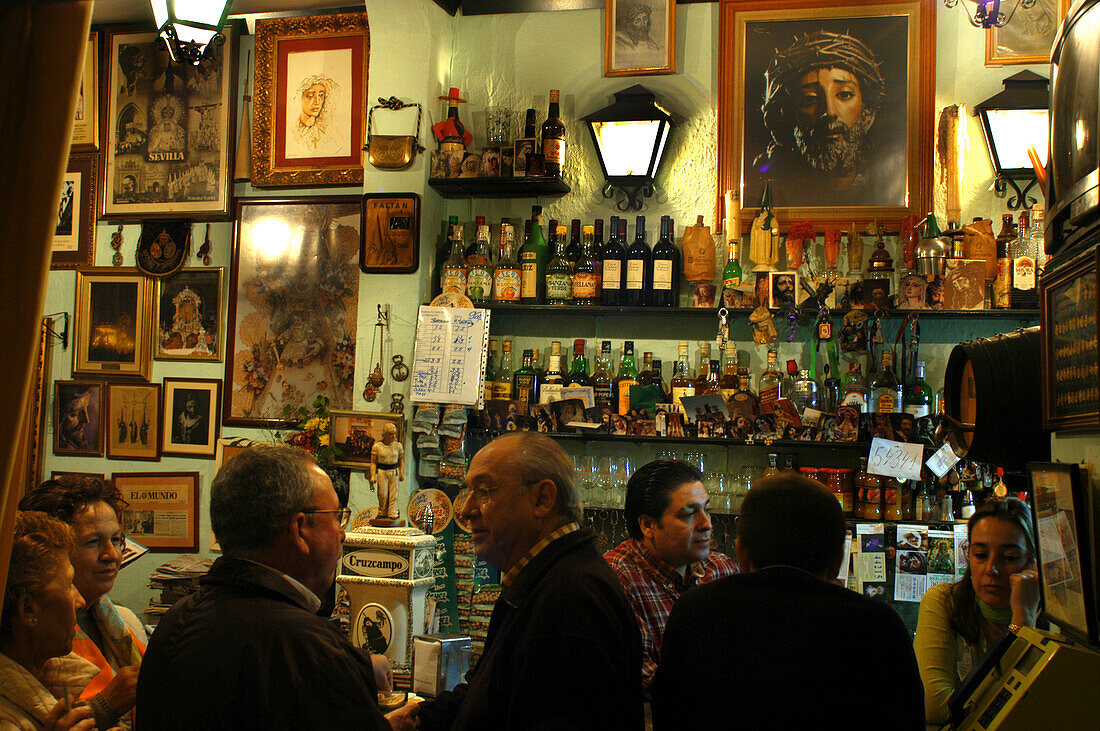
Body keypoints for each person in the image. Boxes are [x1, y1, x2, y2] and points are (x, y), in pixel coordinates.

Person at [135, 444, 414, 730]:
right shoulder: (309, 648)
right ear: (300, 530)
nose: (342, 533)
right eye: (336, 517)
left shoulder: (175, 620)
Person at [653, 474, 924, 729]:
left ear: (741, 555)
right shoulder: (877, 625)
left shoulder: (695, 612)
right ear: (838, 561)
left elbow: (669, 715)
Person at [417, 432, 644, 729]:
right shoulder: (543, 579)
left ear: (542, 499)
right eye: (467, 491)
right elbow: (490, 692)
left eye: (484, 491)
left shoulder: (571, 599)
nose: (466, 510)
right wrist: (416, 719)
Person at [20, 476, 146, 731]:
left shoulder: (125, 621)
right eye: (93, 542)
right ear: (51, 549)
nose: (111, 555)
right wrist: (105, 705)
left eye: (116, 539)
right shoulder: (34, 635)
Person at [604, 460, 739, 697]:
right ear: (647, 525)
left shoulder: (721, 568)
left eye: (706, 509)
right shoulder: (616, 578)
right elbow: (645, 683)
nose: (707, 524)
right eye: (689, 514)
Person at [914, 498, 1038, 726]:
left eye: (1010, 558)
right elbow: (932, 705)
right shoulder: (944, 601)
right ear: (968, 554)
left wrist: (1023, 620)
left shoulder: (1052, 617)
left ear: (1032, 560)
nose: (992, 569)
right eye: (980, 555)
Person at [754, 30, 904, 207]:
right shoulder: (775, 192)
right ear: (789, 116)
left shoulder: (882, 186)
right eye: (810, 98)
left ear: (867, 114)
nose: (829, 111)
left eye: (844, 94)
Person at [0, 511, 100, 730]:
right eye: (68, 583)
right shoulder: (6, 721)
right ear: (28, 609)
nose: (80, 601)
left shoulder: (57, 677)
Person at [286, 74, 344, 158]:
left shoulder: (329, 133)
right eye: (310, 96)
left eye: (321, 95)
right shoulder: (290, 131)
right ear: (299, 97)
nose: (317, 101)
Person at [369, 422, 404, 522]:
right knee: (382, 494)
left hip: (393, 471)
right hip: (382, 471)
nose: (393, 436)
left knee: (394, 494)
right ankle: (382, 512)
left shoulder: (398, 446)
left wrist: (401, 472)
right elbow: (373, 463)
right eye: (390, 434)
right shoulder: (377, 446)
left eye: (394, 434)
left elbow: (401, 461)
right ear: (385, 434)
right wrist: (372, 476)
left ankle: (392, 513)